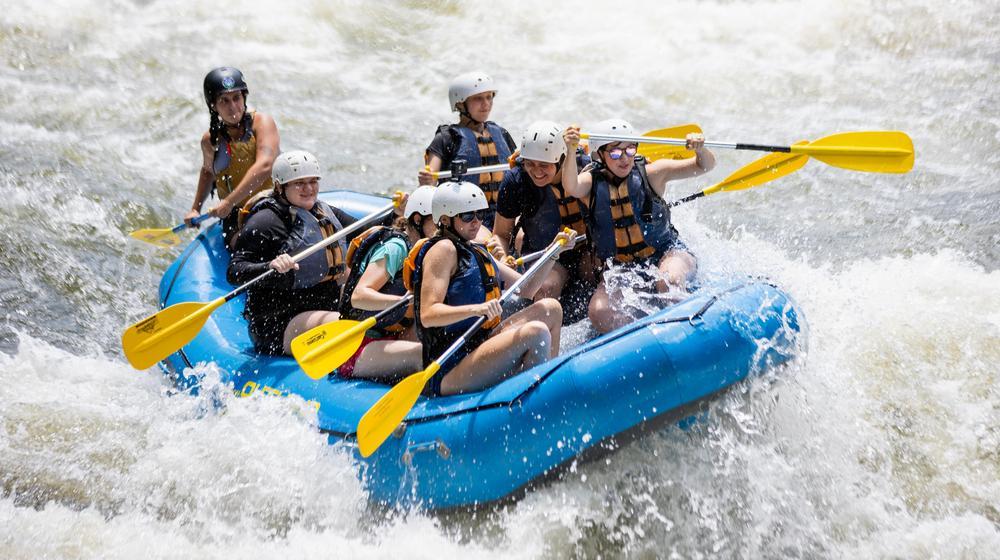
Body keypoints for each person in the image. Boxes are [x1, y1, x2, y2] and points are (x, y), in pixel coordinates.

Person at [406, 181, 575, 396]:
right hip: (449, 364)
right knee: (536, 332)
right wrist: (477, 309)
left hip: (480, 344)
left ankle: (549, 387)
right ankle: (535, 401)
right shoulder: (443, 250)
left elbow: (527, 289)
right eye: (468, 216)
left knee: (551, 308)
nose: (476, 222)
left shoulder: (475, 250)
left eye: (479, 214)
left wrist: (552, 254)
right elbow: (428, 315)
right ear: (446, 220)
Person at [563, 118, 716, 334]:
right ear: (600, 155)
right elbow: (571, 186)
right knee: (599, 311)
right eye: (616, 153)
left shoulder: (653, 173)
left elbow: (704, 166)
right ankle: (644, 337)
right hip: (623, 267)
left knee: (669, 282)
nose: (624, 158)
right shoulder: (590, 183)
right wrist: (571, 151)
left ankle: (685, 330)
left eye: (630, 149)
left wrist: (701, 149)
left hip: (667, 253)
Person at [227, 150, 356, 356]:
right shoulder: (266, 221)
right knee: (353, 323)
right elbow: (235, 271)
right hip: (280, 321)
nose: (308, 189)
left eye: (313, 181)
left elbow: (365, 228)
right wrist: (269, 267)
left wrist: (397, 213)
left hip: (322, 305)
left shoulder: (321, 212)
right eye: (299, 183)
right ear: (280, 186)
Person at [332, 187, 440, 379]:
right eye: (437, 221)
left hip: (394, 335)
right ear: (417, 219)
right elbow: (359, 296)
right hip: (361, 345)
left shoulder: (428, 250)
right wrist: (402, 302)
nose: (442, 227)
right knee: (427, 356)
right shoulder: (396, 248)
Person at [493, 122, 595, 320]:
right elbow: (501, 234)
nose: (536, 171)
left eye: (544, 165)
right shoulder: (516, 181)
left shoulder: (585, 170)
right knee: (545, 288)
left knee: (595, 271)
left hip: (588, 248)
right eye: (530, 163)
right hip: (547, 255)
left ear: (561, 159)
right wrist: (503, 258)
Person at [185, 67, 279, 249]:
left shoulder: (262, 123)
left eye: (237, 98)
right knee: (243, 244)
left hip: (273, 204)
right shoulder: (210, 141)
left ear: (244, 98)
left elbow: (265, 165)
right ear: (213, 105)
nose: (233, 106)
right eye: (224, 101)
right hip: (236, 214)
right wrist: (195, 208)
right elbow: (207, 172)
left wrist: (228, 201)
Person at [417, 71, 516, 232]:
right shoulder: (446, 138)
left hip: (504, 214)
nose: (486, 104)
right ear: (460, 104)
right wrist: (427, 180)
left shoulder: (501, 133)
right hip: (467, 218)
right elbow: (430, 180)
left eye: (489, 97)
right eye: (478, 98)